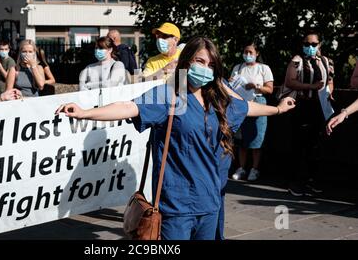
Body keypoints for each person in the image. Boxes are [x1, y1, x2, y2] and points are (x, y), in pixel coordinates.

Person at [56, 37, 295, 240]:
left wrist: (278, 110)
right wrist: (86, 112)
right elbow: (128, 107)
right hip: (176, 208)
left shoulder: (217, 100)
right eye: (199, 61)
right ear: (186, 61)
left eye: (211, 65)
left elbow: (247, 107)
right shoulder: (169, 96)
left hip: (211, 204)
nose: (205, 68)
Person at [281, 31, 334, 197]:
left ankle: (312, 180)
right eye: (306, 44)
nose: (309, 47)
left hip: (320, 107)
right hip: (301, 105)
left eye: (313, 44)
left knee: (316, 145)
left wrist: (328, 93)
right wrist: (311, 87)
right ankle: (295, 182)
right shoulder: (297, 60)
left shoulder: (326, 61)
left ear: (319, 45)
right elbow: (289, 81)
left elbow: (330, 82)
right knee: (298, 144)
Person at [230, 42, 274, 181]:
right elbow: (231, 86)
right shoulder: (238, 68)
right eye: (245, 52)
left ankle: (255, 169)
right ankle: (241, 168)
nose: (248, 55)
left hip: (257, 102)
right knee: (241, 137)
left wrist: (257, 87)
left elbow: (270, 89)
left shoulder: (263, 68)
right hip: (241, 103)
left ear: (257, 53)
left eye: (251, 52)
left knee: (256, 137)